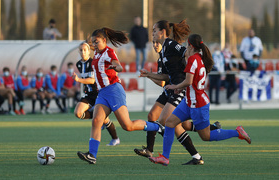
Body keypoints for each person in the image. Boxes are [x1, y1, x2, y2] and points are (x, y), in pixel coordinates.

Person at [149, 34, 251, 166]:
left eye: (187, 45)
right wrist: (180, 89)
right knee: (169, 123)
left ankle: (237, 132)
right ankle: (164, 157)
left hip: (198, 105)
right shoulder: (198, 58)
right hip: (188, 102)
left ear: (191, 46)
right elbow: (192, 82)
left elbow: (188, 81)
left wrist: (175, 86)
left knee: (206, 136)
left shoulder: (193, 60)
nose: (186, 47)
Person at [77, 27, 165, 164]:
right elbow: (92, 47)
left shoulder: (108, 52)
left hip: (113, 90)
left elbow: (118, 66)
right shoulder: (98, 53)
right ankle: (92, 155)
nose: (94, 45)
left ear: (104, 41)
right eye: (93, 42)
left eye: (97, 42)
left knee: (127, 126)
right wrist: (90, 43)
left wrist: (116, 67)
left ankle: (158, 127)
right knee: (96, 120)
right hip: (102, 93)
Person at [134, 20, 217, 165]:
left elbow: (188, 53)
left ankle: (190, 154)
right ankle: (194, 155)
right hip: (171, 88)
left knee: (166, 122)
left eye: (154, 30)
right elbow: (164, 78)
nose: (152, 34)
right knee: (159, 117)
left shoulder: (171, 44)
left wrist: (189, 75)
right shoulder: (163, 51)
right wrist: (148, 74)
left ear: (162, 32)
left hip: (179, 88)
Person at [73, 42, 120, 146]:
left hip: (99, 93)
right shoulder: (79, 64)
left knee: (105, 119)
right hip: (88, 94)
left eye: (85, 50)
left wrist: (78, 79)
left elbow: (92, 80)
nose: (83, 52)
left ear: (89, 51)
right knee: (78, 113)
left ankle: (115, 138)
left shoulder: (93, 62)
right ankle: (98, 117)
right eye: (81, 50)